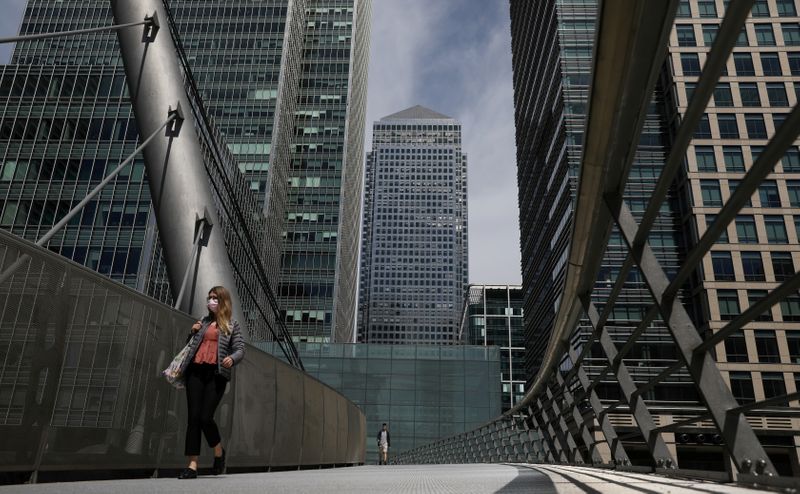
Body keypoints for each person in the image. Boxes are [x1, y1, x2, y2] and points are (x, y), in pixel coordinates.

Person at [177, 286, 245, 479]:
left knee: (206, 417)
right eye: (209, 297)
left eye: (215, 298)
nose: (211, 301)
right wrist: (192, 331)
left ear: (222, 301)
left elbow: (240, 348)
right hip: (195, 372)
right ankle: (192, 465)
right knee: (194, 418)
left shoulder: (232, 325)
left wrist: (232, 358)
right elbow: (190, 346)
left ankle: (218, 451)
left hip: (216, 374)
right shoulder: (203, 322)